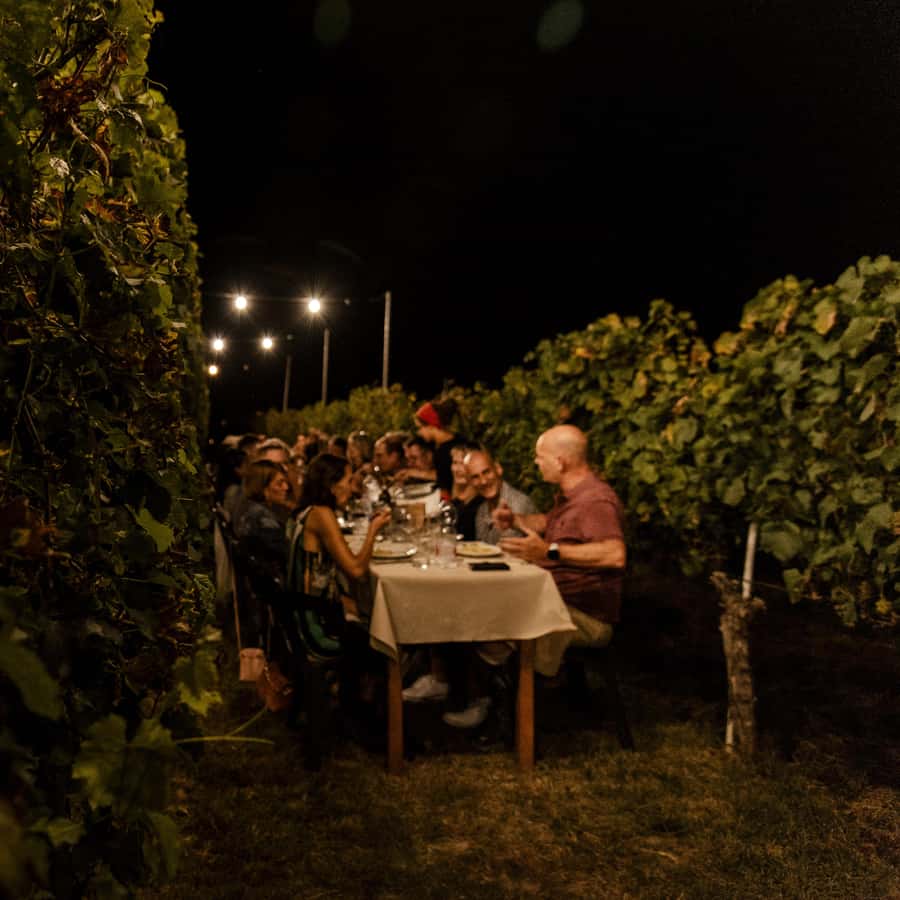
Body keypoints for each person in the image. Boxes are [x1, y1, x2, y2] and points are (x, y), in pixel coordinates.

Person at [497, 424, 626, 678]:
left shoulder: (595, 500)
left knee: (498, 617)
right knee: (491, 606)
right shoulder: (572, 496)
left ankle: (521, 692)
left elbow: (615, 554)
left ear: (560, 462)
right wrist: (515, 520)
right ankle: (503, 686)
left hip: (583, 615)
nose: (536, 462)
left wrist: (549, 552)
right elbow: (550, 523)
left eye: (540, 457)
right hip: (557, 600)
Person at [291, 452, 392, 623]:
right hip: (316, 621)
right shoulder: (321, 514)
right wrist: (373, 530)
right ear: (332, 485)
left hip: (306, 608)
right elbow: (357, 571)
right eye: (349, 481)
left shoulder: (305, 510)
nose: (353, 488)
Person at [465, 447, 536, 545]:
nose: (483, 481)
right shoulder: (482, 510)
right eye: (475, 477)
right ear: (470, 482)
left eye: (486, 472)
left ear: (498, 469)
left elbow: (508, 550)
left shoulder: (518, 504)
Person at [413, 397, 467, 496]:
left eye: (420, 428)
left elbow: (445, 487)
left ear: (431, 426)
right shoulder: (458, 440)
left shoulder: (444, 452)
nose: (419, 432)